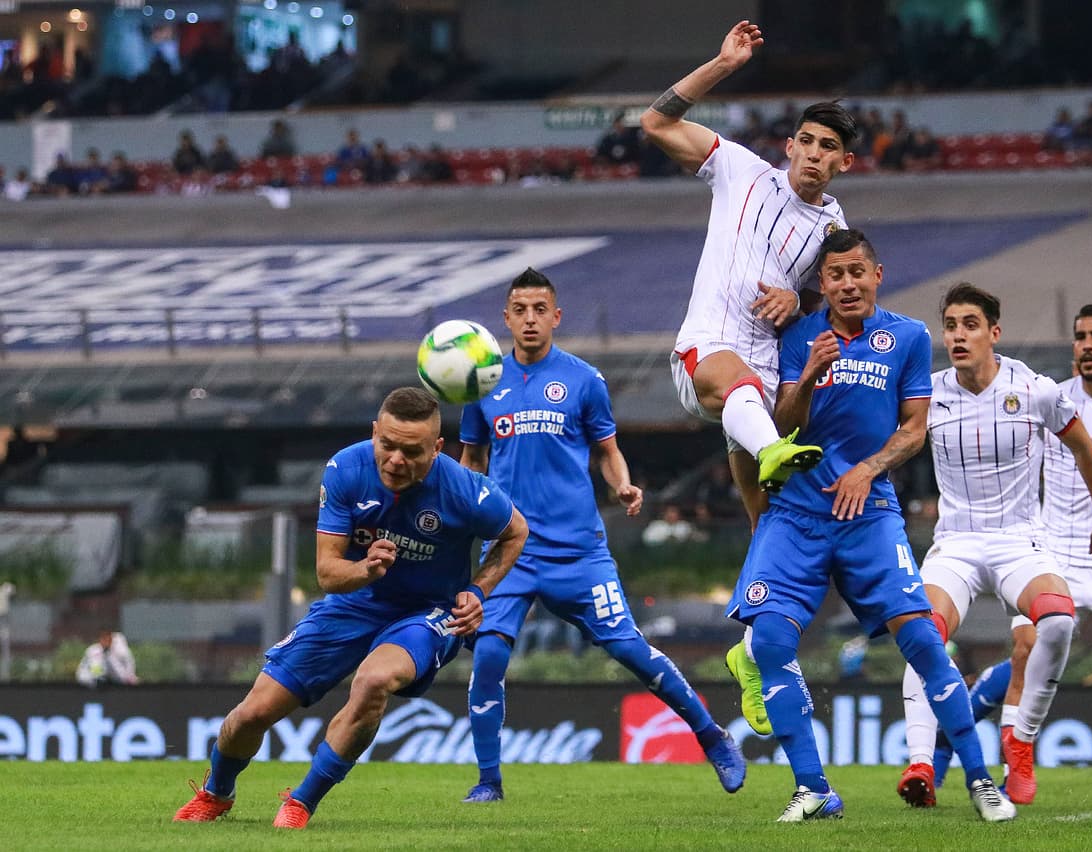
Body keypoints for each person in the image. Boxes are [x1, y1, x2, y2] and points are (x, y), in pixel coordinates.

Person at [724, 229, 1014, 822]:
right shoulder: (799, 335)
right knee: (773, 643)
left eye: (858, 271)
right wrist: (807, 374)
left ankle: (981, 781)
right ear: (823, 283)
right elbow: (779, 425)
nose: (847, 283)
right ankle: (814, 789)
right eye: (835, 275)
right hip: (796, 513)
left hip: (869, 512)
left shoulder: (907, 337)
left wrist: (866, 469)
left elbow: (914, 428)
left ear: (877, 274)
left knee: (925, 641)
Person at [173, 387, 528, 829]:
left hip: (427, 612)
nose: (396, 460)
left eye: (412, 451)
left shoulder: (466, 490)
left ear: (437, 449)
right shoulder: (346, 469)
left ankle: (301, 802)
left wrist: (478, 590)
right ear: (374, 432)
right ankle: (216, 794)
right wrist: (366, 570)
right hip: (353, 602)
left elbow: (516, 531)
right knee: (251, 715)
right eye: (388, 445)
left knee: (374, 679)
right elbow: (327, 572)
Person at [457, 268, 746, 803]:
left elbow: (607, 451)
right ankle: (488, 782)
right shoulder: (482, 384)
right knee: (490, 656)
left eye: (539, 309)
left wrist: (624, 486)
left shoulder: (584, 380)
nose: (529, 319)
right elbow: (472, 461)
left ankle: (712, 736)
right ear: (506, 318)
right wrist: (464, 508)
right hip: (507, 551)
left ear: (556, 316)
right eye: (519, 309)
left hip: (577, 551)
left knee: (632, 650)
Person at [934, 305, 1092, 793]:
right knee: (1028, 648)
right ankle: (1010, 770)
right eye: (1079, 337)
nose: (1086, 345)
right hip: (1052, 550)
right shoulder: (1048, 395)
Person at [897, 283, 1092, 809]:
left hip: (1020, 540)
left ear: (994, 333)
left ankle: (1019, 741)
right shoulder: (928, 394)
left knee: (1060, 620)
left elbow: (1083, 445)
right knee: (921, 635)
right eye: (950, 325)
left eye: (970, 325)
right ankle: (921, 763)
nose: (958, 335)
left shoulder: (1036, 389)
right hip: (955, 543)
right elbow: (888, 440)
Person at [640, 21, 857, 523]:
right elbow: (655, 123)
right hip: (709, 351)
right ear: (790, 146)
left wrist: (798, 301)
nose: (814, 153)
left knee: (766, 522)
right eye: (807, 140)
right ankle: (772, 452)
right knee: (743, 397)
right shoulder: (740, 170)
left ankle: (761, 594)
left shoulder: (834, 229)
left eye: (828, 147)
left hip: (767, 376)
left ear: (843, 162)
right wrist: (723, 66)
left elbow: (825, 299)